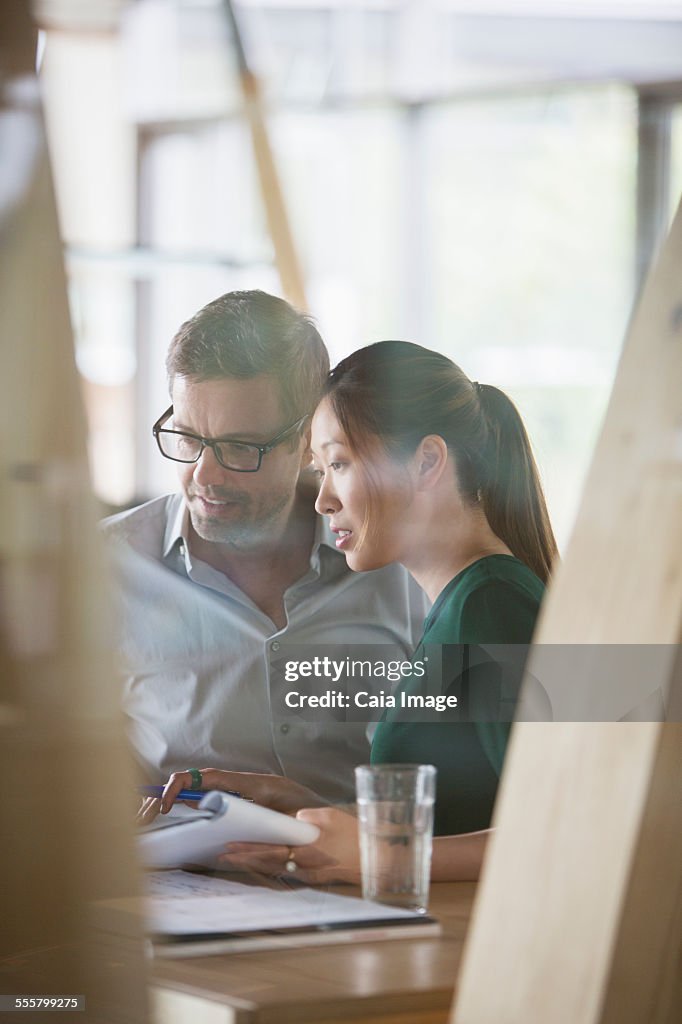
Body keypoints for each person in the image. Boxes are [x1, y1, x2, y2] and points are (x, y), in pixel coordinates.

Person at [157, 339, 558, 881]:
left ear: (427, 462)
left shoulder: (492, 602)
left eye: (339, 463)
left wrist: (378, 853)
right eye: (321, 470)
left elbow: (565, 827)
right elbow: (459, 816)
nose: (323, 501)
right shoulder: (461, 602)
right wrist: (292, 802)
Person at [104, 296, 427, 804]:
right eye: (188, 439)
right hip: (184, 878)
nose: (204, 476)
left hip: (364, 874)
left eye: (239, 448)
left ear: (307, 442)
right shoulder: (104, 570)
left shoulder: (403, 563)